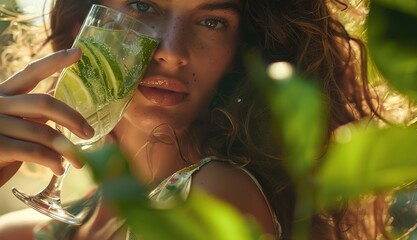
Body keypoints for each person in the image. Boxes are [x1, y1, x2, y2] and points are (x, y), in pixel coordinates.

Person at [0, 0, 390, 239]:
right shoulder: (34, 230)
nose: (172, 51)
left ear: (239, 53)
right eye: (142, 5)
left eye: (212, 21)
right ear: (85, 28)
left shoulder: (210, 200)